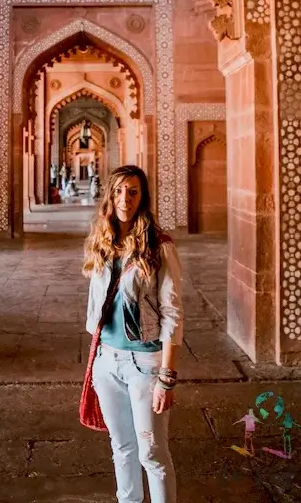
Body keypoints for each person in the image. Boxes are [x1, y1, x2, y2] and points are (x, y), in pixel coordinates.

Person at [82, 164, 183, 503]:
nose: (126, 198)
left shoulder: (160, 246)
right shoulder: (102, 243)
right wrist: (96, 358)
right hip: (106, 362)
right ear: (111, 195)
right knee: (122, 447)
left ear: (143, 197)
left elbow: (172, 313)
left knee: (152, 454)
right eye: (120, 191)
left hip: (146, 364)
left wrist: (167, 378)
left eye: (134, 191)